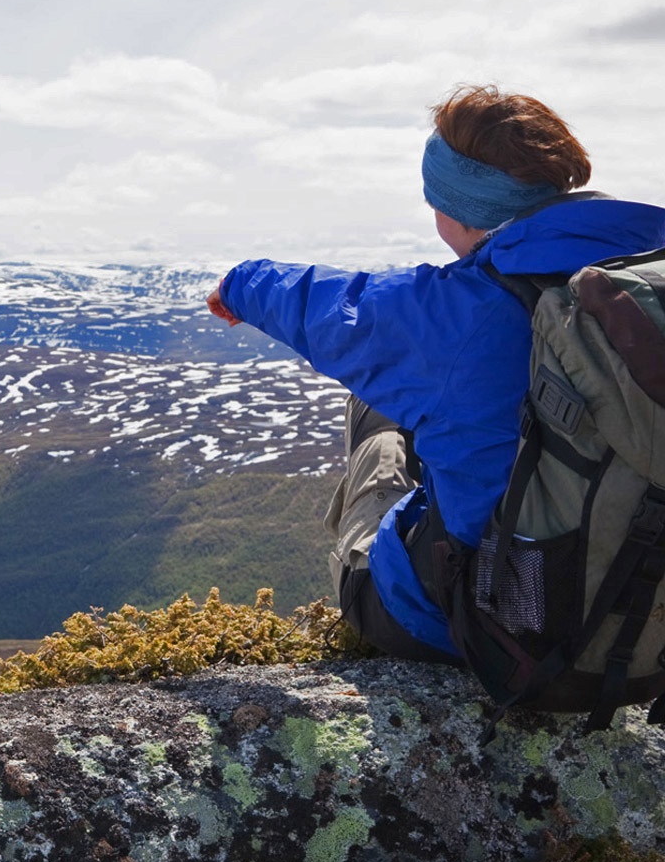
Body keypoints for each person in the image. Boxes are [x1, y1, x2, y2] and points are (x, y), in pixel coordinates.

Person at [206, 84, 665, 663]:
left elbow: (329, 310)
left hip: (486, 626)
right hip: (637, 624)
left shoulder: (462, 311)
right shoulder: (641, 285)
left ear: (459, 207)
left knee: (380, 412)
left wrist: (239, 283)